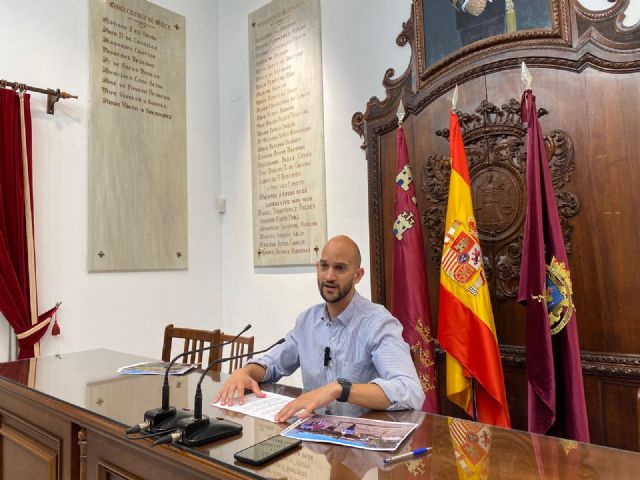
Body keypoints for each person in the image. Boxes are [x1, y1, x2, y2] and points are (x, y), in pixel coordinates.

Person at [213, 235, 425, 422]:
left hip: (360, 449)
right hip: (314, 442)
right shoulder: (307, 321)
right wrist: (245, 372)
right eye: (324, 266)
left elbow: (410, 391)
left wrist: (339, 389)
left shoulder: (378, 323)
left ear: (358, 275)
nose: (329, 276)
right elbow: (273, 364)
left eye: (340, 268)